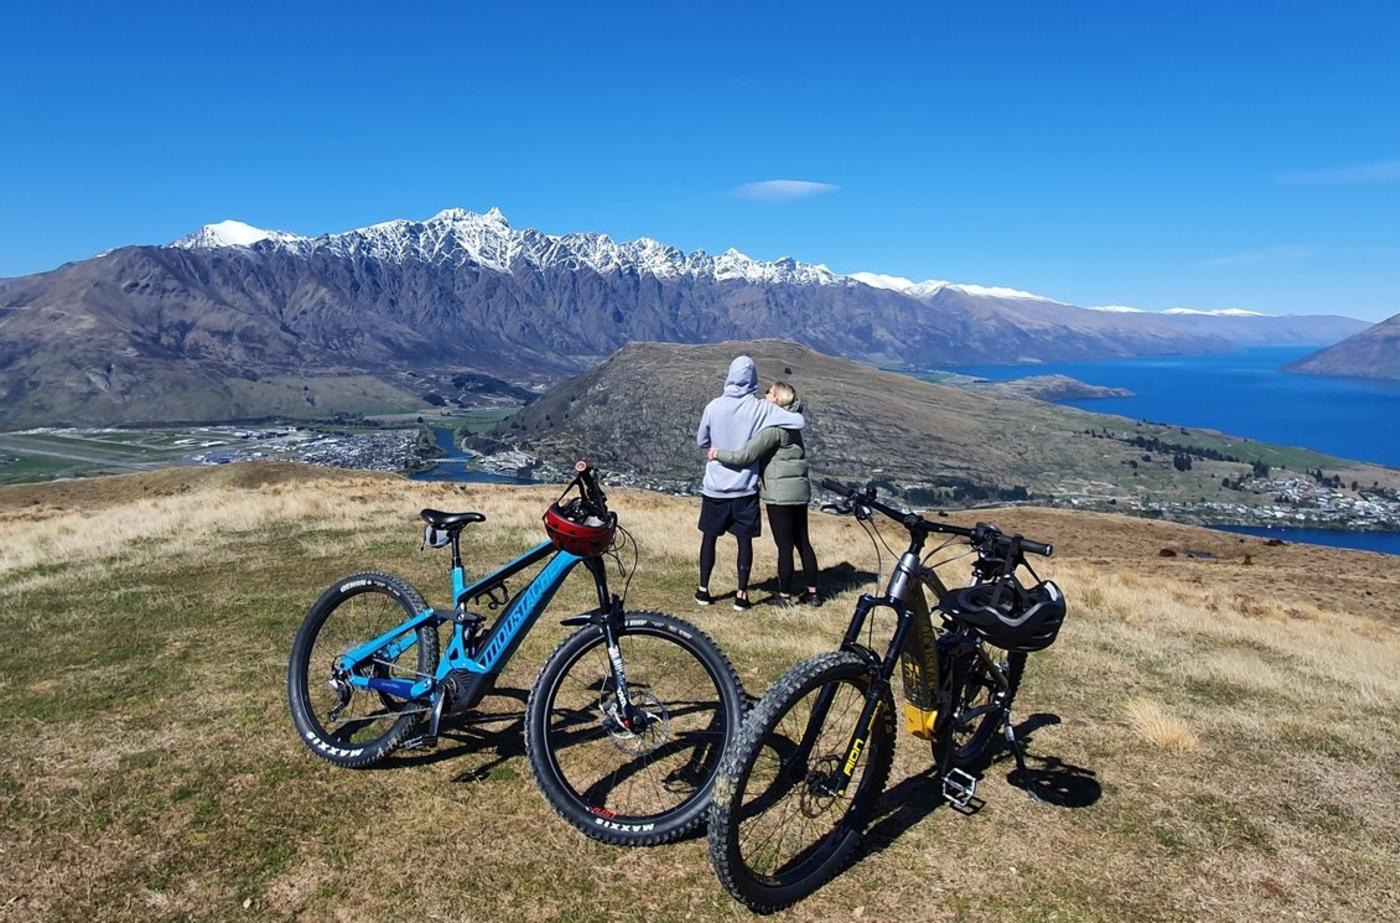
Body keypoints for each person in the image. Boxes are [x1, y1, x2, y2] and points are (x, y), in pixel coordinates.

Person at [695, 356, 805, 611]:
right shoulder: (759, 408)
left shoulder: (714, 406)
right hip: (744, 488)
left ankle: (703, 590)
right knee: (744, 542)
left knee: (709, 538)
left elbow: (702, 440)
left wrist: (716, 449)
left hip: (715, 485)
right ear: (753, 379)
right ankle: (742, 595)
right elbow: (799, 422)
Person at [708, 381, 820, 607]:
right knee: (803, 542)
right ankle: (813, 593)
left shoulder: (774, 429)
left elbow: (746, 455)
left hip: (780, 494)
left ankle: (785, 596)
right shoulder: (793, 425)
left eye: (768, 392)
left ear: (777, 399)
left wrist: (718, 453)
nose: (764, 395)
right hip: (799, 491)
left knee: (785, 545)